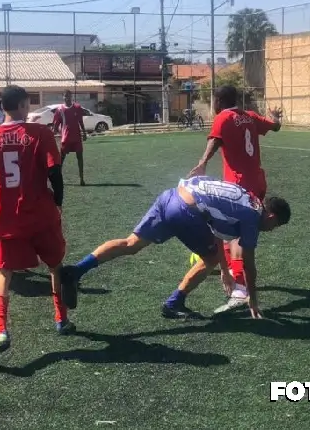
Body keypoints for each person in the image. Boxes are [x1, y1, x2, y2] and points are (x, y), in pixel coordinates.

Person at [59, 176, 291, 320]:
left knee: (131, 244)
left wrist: (224, 269)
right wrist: (253, 298)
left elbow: (214, 226)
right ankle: (174, 303)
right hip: (186, 213)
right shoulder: (253, 217)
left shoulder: (246, 197)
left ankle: (75, 271)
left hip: (171, 197)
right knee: (208, 259)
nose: (271, 230)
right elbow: (249, 265)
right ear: (271, 216)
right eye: (276, 225)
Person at [0, 85, 70, 365]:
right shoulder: (39, 133)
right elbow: (54, 171)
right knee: (56, 266)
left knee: (2, 275)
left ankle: (1, 331)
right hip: (41, 213)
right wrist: (59, 203)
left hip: (8, 218)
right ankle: (61, 319)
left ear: (3, 107)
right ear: (24, 104)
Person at [188, 85, 283, 314]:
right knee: (243, 235)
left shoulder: (224, 118)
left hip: (238, 186)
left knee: (233, 237)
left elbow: (214, 141)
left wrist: (202, 162)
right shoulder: (249, 116)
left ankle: (240, 288)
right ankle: (237, 276)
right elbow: (276, 126)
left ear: (219, 101)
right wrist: (274, 116)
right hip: (258, 182)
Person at [52, 90, 88, 186]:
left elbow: (80, 122)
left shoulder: (77, 107)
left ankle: (82, 179)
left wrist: (84, 133)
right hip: (65, 138)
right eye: (65, 96)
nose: (67, 97)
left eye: (69, 96)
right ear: (63, 97)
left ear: (71, 97)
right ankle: (58, 179)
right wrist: (52, 135)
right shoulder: (59, 109)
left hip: (76, 138)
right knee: (61, 159)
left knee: (80, 158)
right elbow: (56, 125)